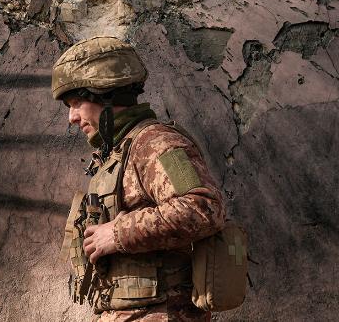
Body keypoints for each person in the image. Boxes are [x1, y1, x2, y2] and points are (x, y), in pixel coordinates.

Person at [54, 36, 226, 321]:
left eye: (76, 103)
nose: (71, 117)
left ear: (105, 95)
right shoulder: (115, 152)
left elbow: (203, 207)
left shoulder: (155, 143)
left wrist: (118, 233)